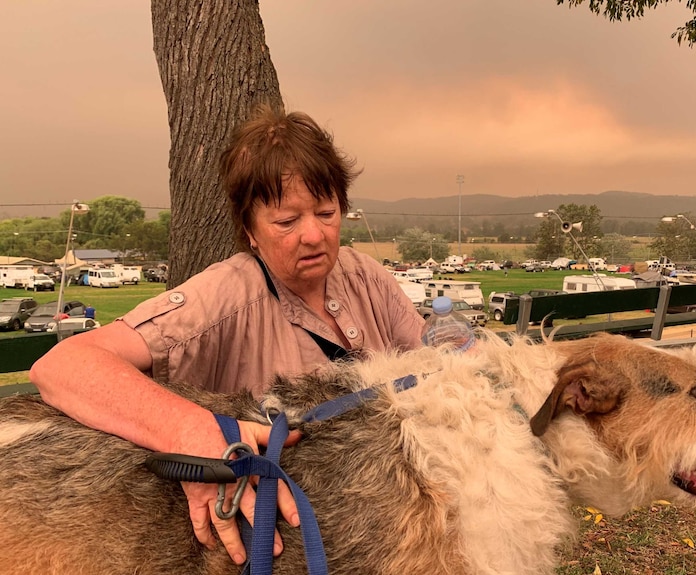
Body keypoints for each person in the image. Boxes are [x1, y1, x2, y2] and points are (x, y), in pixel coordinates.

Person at [30, 103, 425, 566]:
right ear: (249, 230)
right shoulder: (223, 295)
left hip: (387, 533)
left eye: (326, 211)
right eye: (287, 221)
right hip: (275, 550)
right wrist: (189, 429)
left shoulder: (368, 276)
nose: (315, 235)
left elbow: (432, 374)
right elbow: (61, 366)